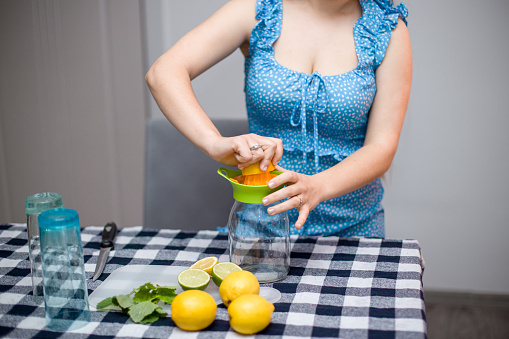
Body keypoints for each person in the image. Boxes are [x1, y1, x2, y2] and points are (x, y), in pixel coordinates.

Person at [145, 0, 412, 237]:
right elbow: (164, 72)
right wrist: (213, 143)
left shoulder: (388, 29)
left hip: (355, 229)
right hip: (261, 227)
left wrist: (318, 186)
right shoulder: (257, 9)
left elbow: (382, 147)